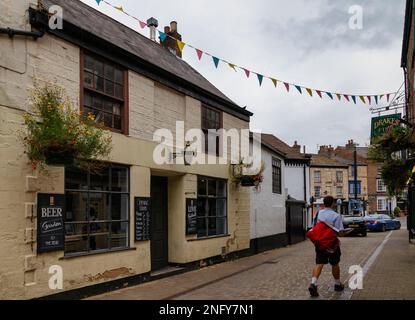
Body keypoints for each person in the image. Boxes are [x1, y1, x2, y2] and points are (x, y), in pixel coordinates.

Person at [308, 196, 345, 297]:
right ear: (333, 204)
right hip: (332, 244)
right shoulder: (336, 215)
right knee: (335, 264)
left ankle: (313, 283)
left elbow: (314, 228)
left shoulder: (318, 214)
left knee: (319, 263)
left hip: (320, 244)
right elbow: (340, 232)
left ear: (323, 203)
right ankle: (337, 284)